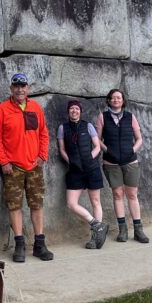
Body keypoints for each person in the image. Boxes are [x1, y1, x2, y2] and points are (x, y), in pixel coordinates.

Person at [0, 72, 54, 262]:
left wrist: (42, 155)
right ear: (11, 89)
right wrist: (4, 161)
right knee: (14, 205)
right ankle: (19, 245)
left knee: (37, 204)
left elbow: (43, 133)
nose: (20, 89)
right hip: (13, 168)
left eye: (23, 86)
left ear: (28, 89)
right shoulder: (3, 109)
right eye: (16, 86)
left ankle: (39, 244)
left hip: (34, 166)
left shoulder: (35, 107)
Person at [96, 89, 150, 243]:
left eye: (118, 97)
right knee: (118, 194)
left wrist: (132, 150)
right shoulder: (103, 117)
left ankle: (138, 230)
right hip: (111, 162)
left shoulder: (130, 117)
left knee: (132, 194)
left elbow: (139, 138)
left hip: (130, 161)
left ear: (123, 100)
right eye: (113, 98)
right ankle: (122, 230)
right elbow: (97, 139)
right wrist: (107, 150)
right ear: (109, 100)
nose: (116, 100)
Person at [57, 100, 109, 249]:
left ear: (80, 111)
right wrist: (70, 161)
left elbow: (97, 146)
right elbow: (62, 149)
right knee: (71, 204)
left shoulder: (88, 126)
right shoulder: (62, 128)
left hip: (91, 168)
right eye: (72, 109)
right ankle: (97, 225)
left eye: (77, 109)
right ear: (68, 111)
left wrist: (90, 158)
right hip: (74, 170)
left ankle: (95, 238)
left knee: (96, 202)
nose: (74, 111)